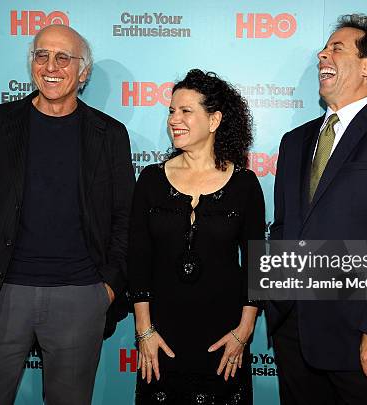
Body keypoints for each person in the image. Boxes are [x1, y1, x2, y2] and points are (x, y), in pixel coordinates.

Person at [0, 24, 134, 404]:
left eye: (64, 57)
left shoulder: (109, 134)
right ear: (32, 63)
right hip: (0, 293)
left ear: (83, 73)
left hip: (81, 296)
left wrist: (107, 288)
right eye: (42, 54)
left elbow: (124, 217)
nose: (52, 65)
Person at [267, 14, 367, 405]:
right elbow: (285, 227)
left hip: (358, 336)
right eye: (325, 48)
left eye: (337, 48)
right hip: (292, 332)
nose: (323, 53)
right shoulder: (294, 141)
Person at [128, 69, 265, 404]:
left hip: (224, 339)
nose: (175, 119)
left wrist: (243, 333)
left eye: (186, 111)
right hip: (161, 337)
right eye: (172, 111)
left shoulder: (245, 185)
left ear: (214, 119)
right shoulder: (150, 180)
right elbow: (137, 259)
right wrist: (144, 332)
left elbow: (257, 266)